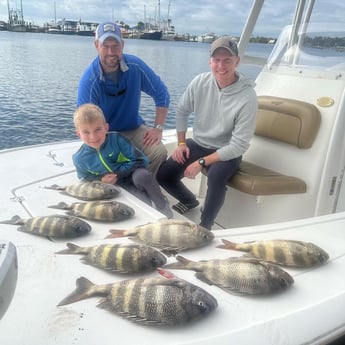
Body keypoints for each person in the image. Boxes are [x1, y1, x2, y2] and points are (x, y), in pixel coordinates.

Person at [157, 36, 258, 230]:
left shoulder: (247, 97)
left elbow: (239, 145)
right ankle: (190, 201)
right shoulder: (200, 82)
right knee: (164, 175)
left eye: (227, 60)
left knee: (216, 176)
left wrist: (201, 162)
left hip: (227, 151)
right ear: (210, 61)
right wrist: (181, 143)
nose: (221, 65)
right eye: (216, 60)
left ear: (237, 61)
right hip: (199, 143)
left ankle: (205, 226)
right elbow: (182, 111)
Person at [76, 21, 170, 175]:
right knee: (109, 163)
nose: (111, 51)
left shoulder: (136, 66)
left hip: (133, 128)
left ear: (123, 45)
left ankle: (140, 186)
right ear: (96, 45)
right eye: (105, 46)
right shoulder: (89, 81)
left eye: (115, 46)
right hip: (104, 135)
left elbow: (162, 94)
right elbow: (84, 122)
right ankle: (124, 184)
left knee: (158, 153)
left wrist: (158, 128)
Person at [72, 103, 173, 219]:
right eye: (86, 132)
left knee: (143, 176)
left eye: (98, 129)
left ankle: (162, 205)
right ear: (79, 134)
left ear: (106, 128)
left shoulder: (117, 139)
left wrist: (119, 174)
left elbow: (141, 160)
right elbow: (85, 177)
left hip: (134, 175)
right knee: (145, 205)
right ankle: (147, 198)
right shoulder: (79, 159)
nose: (93, 136)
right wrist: (101, 179)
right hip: (119, 186)